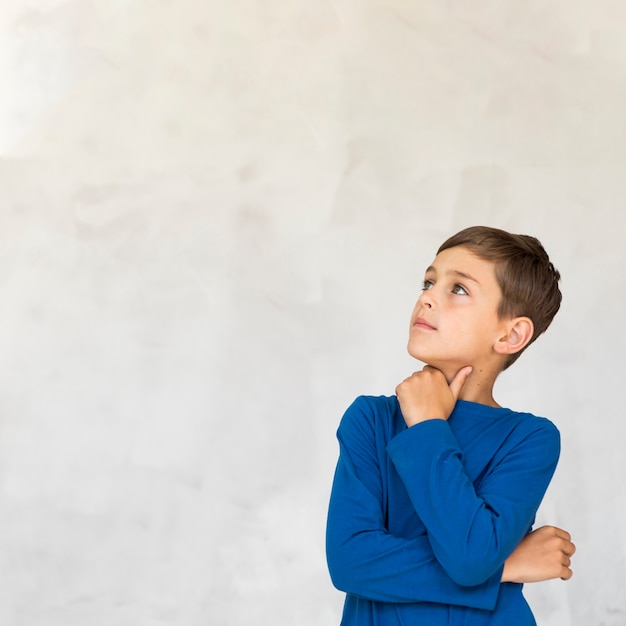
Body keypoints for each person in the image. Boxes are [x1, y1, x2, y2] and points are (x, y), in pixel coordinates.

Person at [326, 226, 576, 625]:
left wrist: (427, 426)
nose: (427, 297)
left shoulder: (529, 439)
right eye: (429, 281)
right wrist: (506, 566)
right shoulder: (369, 420)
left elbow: (470, 558)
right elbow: (351, 563)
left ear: (511, 334)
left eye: (458, 289)